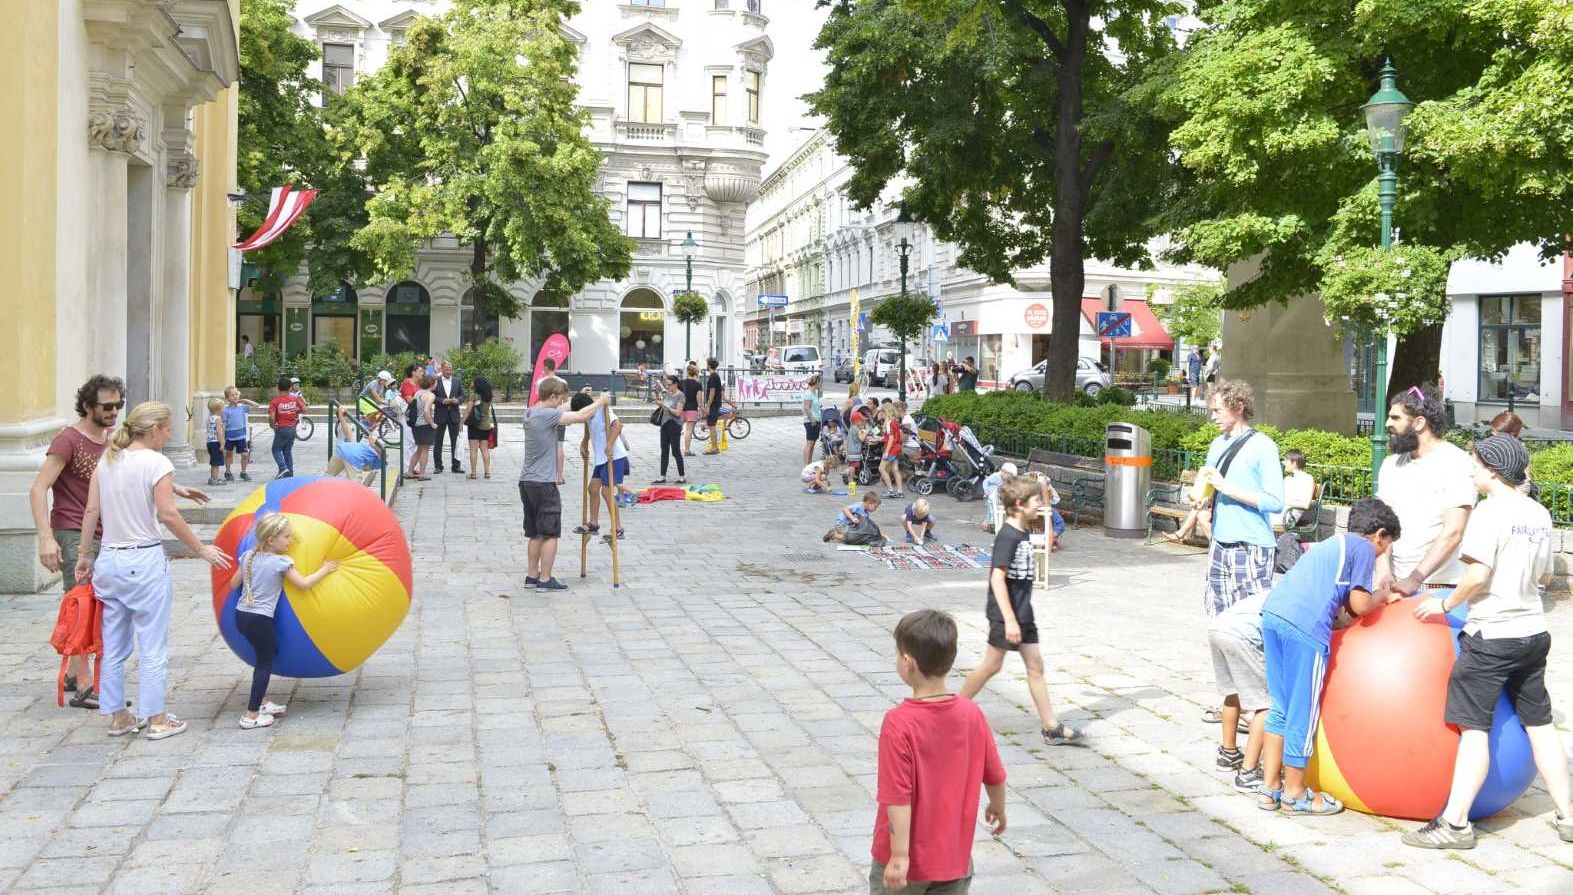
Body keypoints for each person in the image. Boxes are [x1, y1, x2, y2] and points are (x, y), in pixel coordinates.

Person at [1402, 435, 1573, 849]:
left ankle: (1455, 824)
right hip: (1533, 633)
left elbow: (1477, 575)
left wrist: (1446, 604)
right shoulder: (1538, 512)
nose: (1472, 472)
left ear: (1493, 471)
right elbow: (1546, 576)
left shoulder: (1488, 513)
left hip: (1492, 636)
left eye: (1476, 465)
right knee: (1540, 724)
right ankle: (1568, 816)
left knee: (1474, 729)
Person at [74, 402, 232, 740]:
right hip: (143, 561)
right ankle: (157, 718)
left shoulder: (108, 459)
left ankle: (118, 716)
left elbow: (91, 510)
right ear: (154, 429)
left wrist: (84, 554)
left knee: (113, 646)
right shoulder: (158, 462)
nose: (170, 434)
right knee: (152, 644)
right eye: (168, 428)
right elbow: (168, 514)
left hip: (109, 560)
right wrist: (201, 548)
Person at [1256, 498, 1401, 814]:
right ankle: (1296, 792)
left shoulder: (1333, 544)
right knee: (1302, 712)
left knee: (1280, 708)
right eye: (1386, 546)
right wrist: (1383, 596)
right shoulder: (1363, 549)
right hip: (1305, 629)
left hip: (1274, 615)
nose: (1381, 554)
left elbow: (1340, 603)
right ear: (1379, 534)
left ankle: (1270, 788)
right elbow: (1361, 605)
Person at [871, 609, 1006, 893]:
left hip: (907, 866)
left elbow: (897, 796)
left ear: (907, 662)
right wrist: (998, 807)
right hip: (954, 859)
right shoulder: (972, 714)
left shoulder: (899, 722)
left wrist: (899, 856)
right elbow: (994, 774)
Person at [960, 476, 1084, 746]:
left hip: (1023, 612)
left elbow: (1043, 546)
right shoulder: (1007, 536)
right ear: (1019, 504)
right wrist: (1009, 620)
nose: (1039, 504)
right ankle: (951, 712)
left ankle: (1051, 727)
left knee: (1035, 666)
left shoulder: (1024, 530)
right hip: (1006, 614)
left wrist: (1044, 494)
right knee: (991, 666)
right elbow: (997, 579)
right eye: (1035, 500)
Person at [30, 375, 124, 709]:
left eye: (118, 405)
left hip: (103, 531)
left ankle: (73, 672)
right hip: (72, 529)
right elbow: (38, 488)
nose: (114, 412)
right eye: (106, 406)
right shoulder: (68, 439)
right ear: (87, 406)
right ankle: (85, 686)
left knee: (95, 602)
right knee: (83, 603)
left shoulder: (111, 438)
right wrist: (46, 538)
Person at [227, 514, 337, 729]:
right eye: (286, 537)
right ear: (271, 540)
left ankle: (261, 701)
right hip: (260, 620)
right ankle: (251, 715)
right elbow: (303, 584)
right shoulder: (281, 563)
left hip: (242, 616)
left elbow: (233, 584)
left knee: (267, 654)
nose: (291, 541)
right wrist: (325, 569)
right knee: (264, 663)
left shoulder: (248, 556)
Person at [1374, 384, 1475, 598]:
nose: (1387, 423)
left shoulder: (1457, 463)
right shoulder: (1391, 464)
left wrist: (1415, 579)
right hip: (1395, 584)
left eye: (1395, 418)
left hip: (1440, 589)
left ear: (1419, 422)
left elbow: (1454, 531)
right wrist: (1383, 570)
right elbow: (1381, 526)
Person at [520, 380, 608, 592]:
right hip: (544, 484)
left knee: (535, 533)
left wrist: (580, 397)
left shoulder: (531, 412)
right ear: (552, 396)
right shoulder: (548, 416)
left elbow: (565, 408)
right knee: (550, 534)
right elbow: (580, 416)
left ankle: (532, 575)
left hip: (527, 482)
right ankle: (545, 579)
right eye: (560, 398)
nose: (562, 402)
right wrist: (601, 401)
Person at [1208, 591, 1272, 794]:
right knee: (1267, 704)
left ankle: (1228, 753)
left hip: (1218, 627)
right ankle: (1248, 773)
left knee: (1233, 691)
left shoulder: (1276, 590)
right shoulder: (1301, 598)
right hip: (1243, 635)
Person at [573, 391, 634, 538]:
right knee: (593, 488)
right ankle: (593, 524)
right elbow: (589, 427)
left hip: (614, 457)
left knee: (606, 492)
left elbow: (618, 425)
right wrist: (584, 442)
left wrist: (609, 445)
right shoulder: (589, 413)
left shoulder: (603, 410)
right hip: (601, 458)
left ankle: (618, 528)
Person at [327, 406, 384, 486]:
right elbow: (349, 435)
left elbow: (350, 435)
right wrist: (341, 417)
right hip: (353, 454)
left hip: (342, 450)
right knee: (355, 484)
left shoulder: (362, 430)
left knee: (328, 476)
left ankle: (320, 487)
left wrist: (341, 417)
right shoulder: (375, 456)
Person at [267, 376, 307, 479]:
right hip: (293, 429)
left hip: (282, 429)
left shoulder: (275, 402)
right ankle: (290, 472)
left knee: (276, 449)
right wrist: (295, 412)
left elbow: (272, 417)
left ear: (278, 388)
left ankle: (283, 468)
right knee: (287, 450)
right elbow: (304, 409)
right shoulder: (295, 399)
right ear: (290, 388)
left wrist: (272, 425)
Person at [538, 357, 569, 483]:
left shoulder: (541, 383)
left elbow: (540, 401)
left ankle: (546, 474)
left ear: (546, 368)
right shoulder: (563, 382)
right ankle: (559, 476)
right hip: (559, 415)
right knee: (559, 444)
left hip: (545, 416)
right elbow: (566, 401)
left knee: (545, 445)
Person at [652, 375, 687, 484]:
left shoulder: (680, 395)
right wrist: (659, 403)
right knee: (664, 450)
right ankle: (662, 476)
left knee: (676, 451)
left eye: (669, 385)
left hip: (674, 425)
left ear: (675, 384)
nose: (667, 387)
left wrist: (666, 406)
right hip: (664, 424)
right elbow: (664, 408)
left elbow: (678, 412)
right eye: (666, 384)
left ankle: (682, 476)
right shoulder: (667, 394)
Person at [432, 361, 465, 474]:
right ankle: (438, 466)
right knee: (438, 442)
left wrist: (458, 400)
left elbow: (462, 395)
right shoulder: (436, 381)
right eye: (446, 369)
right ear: (441, 369)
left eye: (450, 369)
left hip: (454, 415)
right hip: (440, 415)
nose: (449, 372)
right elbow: (432, 396)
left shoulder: (457, 381)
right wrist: (442, 400)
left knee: (456, 442)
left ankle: (456, 466)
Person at [222, 386, 259, 482]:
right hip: (230, 437)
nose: (235, 396)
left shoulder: (242, 407)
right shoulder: (225, 410)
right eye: (232, 395)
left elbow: (257, 405)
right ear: (227, 398)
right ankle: (228, 472)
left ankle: (243, 472)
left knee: (245, 454)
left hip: (241, 436)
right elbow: (224, 425)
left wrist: (244, 400)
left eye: (236, 394)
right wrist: (222, 439)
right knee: (229, 455)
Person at [1272, 449, 1316, 530]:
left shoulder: (1308, 479)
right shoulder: (1287, 479)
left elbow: (1306, 504)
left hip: (1289, 514)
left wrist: (1284, 502)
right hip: (1278, 510)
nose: (1283, 463)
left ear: (1294, 463)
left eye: (1286, 460)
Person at [464, 376, 497, 480]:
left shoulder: (474, 395)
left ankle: (473, 473)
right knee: (485, 449)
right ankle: (487, 472)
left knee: (473, 449)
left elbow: (468, 410)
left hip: (474, 424)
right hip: (486, 425)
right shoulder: (489, 395)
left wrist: (461, 422)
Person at [409, 375, 436, 480]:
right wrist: (432, 423)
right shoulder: (430, 395)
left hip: (416, 424)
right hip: (424, 425)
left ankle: (410, 471)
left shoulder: (418, 393)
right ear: (432, 384)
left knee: (419, 449)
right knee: (425, 449)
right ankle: (422, 473)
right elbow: (426, 411)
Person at [981, 461, 1017, 534]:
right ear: (1003, 471)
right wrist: (986, 491)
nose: (1010, 478)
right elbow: (985, 482)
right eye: (1009, 475)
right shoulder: (996, 476)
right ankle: (992, 524)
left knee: (994, 510)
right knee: (992, 510)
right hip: (991, 496)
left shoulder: (1006, 478)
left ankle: (987, 524)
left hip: (998, 496)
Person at [880, 403, 906, 498]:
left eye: (882, 412)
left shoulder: (889, 423)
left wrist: (886, 452)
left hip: (891, 449)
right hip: (897, 448)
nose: (881, 414)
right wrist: (880, 439)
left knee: (881, 469)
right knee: (895, 470)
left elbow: (891, 439)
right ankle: (900, 492)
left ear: (886, 412)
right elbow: (893, 437)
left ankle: (890, 490)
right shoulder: (895, 422)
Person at [703, 357, 726, 455]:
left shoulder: (713, 377)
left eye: (706, 364)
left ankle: (714, 448)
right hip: (715, 403)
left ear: (709, 366)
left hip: (713, 404)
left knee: (711, 425)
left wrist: (708, 405)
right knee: (711, 425)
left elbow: (712, 392)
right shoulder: (716, 376)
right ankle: (715, 447)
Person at [202, 398, 226, 487]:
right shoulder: (218, 419)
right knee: (216, 462)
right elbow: (219, 432)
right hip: (216, 442)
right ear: (219, 409)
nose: (223, 410)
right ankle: (214, 479)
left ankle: (213, 477)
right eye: (223, 408)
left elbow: (209, 430)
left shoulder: (209, 418)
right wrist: (222, 443)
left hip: (210, 442)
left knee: (214, 461)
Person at [680, 362, 703, 456]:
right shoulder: (698, 384)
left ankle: (674, 448)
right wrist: (701, 411)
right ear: (696, 372)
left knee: (677, 429)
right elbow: (699, 400)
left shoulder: (681, 383)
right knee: (689, 430)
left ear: (687, 372)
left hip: (681, 408)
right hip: (692, 409)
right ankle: (687, 450)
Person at [801, 373, 824, 466]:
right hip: (810, 421)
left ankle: (809, 462)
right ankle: (806, 463)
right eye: (820, 383)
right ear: (817, 382)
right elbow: (807, 407)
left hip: (816, 420)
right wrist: (812, 419)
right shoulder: (808, 393)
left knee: (813, 443)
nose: (820, 385)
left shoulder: (814, 393)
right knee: (809, 443)